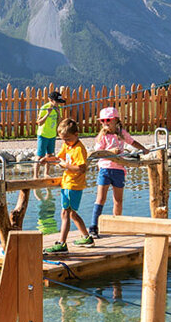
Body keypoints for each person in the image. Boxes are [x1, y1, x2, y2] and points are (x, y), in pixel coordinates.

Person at [89, 107, 147, 239]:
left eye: (108, 120)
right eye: (102, 121)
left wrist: (143, 149)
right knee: (101, 198)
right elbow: (98, 153)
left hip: (119, 169)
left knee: (118, 200)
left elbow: (132, 142)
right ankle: (93, 226)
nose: (105, 123)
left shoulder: (121, 133)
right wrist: (111, 153)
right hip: (105, 169)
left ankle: (117, 224)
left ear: (115, 120)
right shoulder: (102, 136)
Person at [40, 117, 93, 252]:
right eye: (63, 139)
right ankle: (86, 237)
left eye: (68, 139)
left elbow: (82, 168)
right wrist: (47, 159)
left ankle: (62, 243)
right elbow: (59, 158)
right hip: (67, 183)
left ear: (76, 135)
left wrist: (66, 166)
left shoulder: (79, 149)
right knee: (72, 214)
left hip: (74, 185)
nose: (65, 142)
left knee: (65, 213)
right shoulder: (67, 146)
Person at [33, 90, 65, 177]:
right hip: (43, 135)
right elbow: (39, 122)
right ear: (50, 100)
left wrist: (58, 113)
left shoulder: (58, 108)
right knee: (40, 156)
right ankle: (35, 175)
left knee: (50, 156)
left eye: (59, 102)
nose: (58, 104)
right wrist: (47, 113)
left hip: (52, 135)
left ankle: (46, 174)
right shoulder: (44, 108)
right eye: (56, 102)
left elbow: (60, 121)